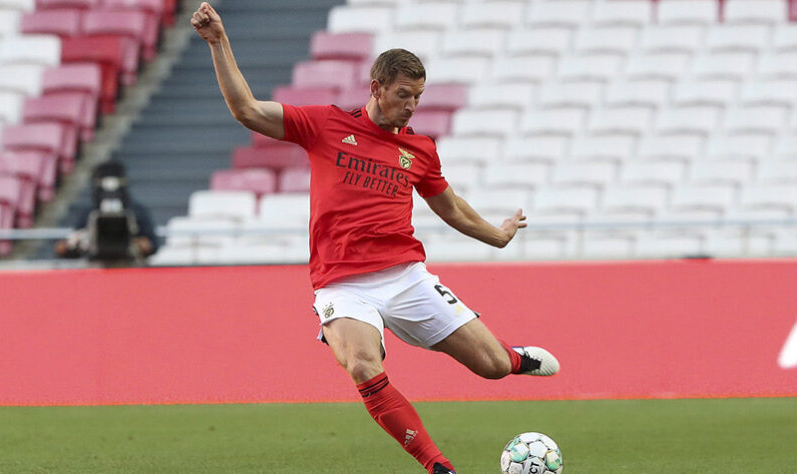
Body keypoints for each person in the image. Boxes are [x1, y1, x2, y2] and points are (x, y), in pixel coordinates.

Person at [192, 3, 559, 473]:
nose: (410, 106)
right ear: (376, 88)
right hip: (342, 285)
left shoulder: (419, 149)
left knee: (489, 366)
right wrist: (218, 42)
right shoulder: (325, 126)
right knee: (363, 364)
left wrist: (498, 235)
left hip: (406, 276)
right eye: (403, 95)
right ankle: (437, 465)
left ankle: (512, 358)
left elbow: (449, 207)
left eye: (418, 98)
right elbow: (247, 110)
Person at [55, 161, 158, 262]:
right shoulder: (89, 213)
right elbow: (70, 248)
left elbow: (153, 245)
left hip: (129, 266)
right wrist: (72, 245)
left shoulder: (136, 212)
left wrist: (136, 243)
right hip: (97, 268)